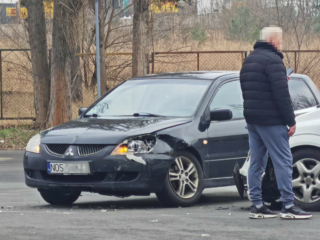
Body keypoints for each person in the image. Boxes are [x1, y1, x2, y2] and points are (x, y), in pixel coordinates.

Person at [240, 26, 312, 219]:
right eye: (280, 40)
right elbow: (281, 95)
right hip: (271, 120)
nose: (282, 44)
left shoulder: (249, 60)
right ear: (273, 40)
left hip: (253, 120)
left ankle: (256, 204)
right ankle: (288, 205)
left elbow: (249, 89)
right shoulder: (274, 61)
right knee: (284, 161)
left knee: (257, 162)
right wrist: (290, 120)